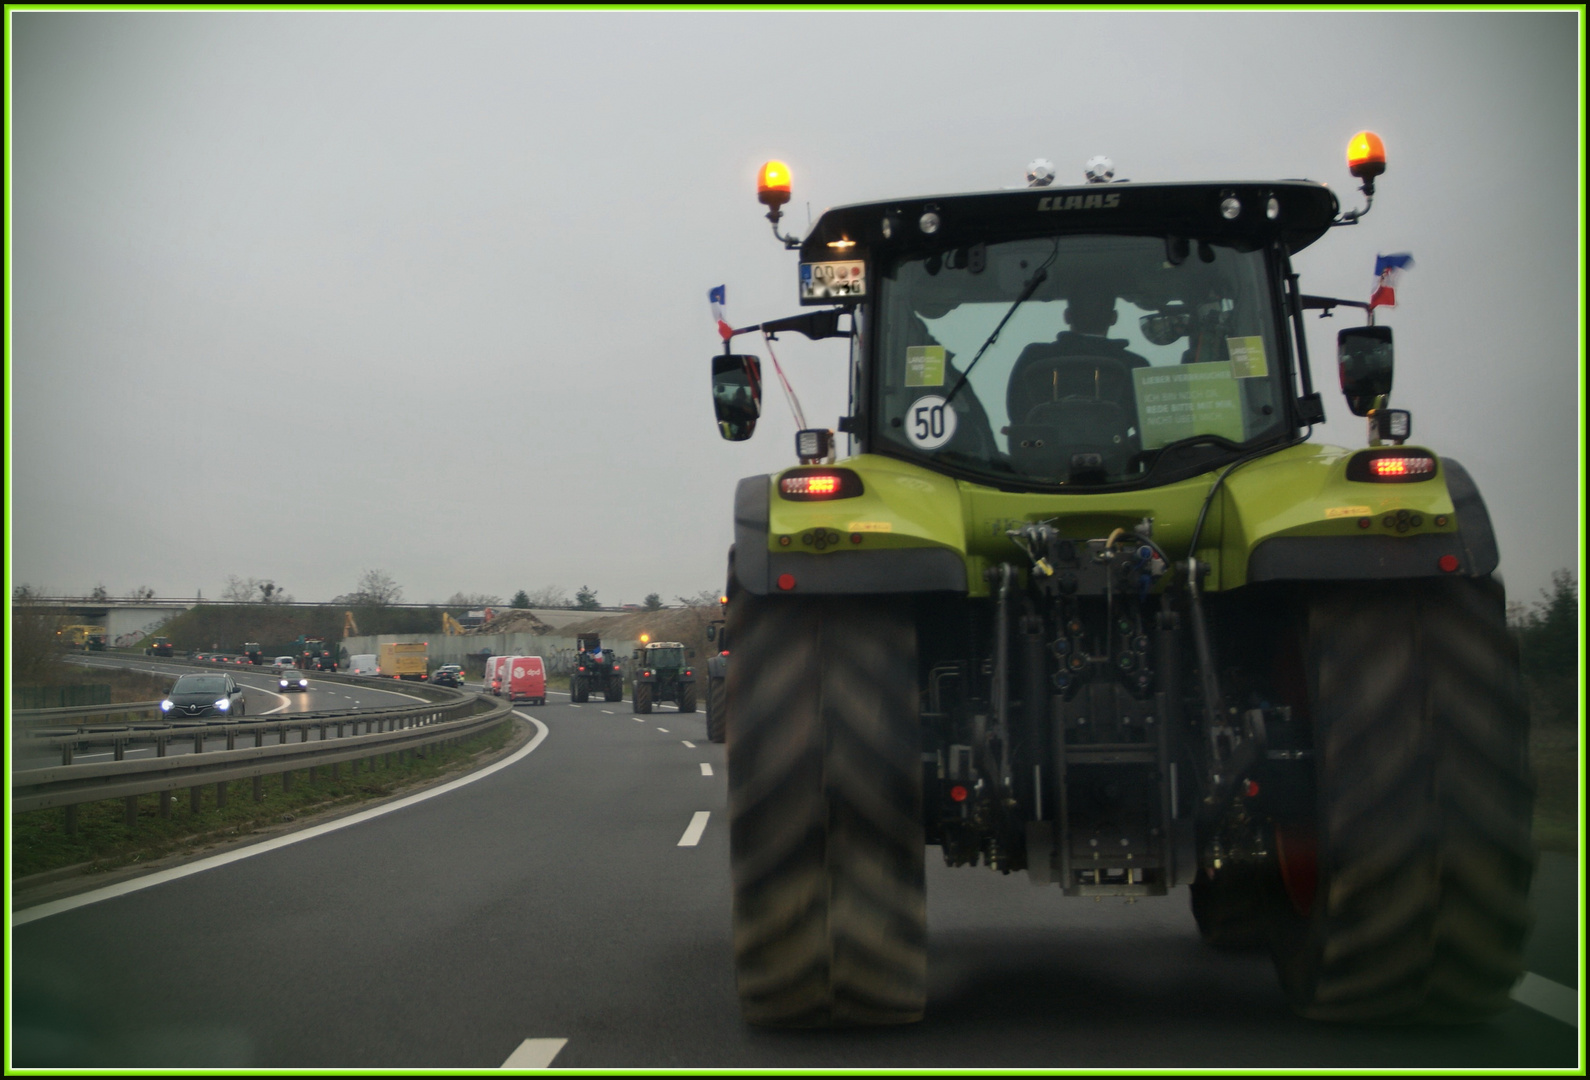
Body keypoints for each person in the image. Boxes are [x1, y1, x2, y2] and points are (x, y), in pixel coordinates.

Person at [1006, 287, 1149, 425]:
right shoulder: (1136, 365)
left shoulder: (1034, 356)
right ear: (1114, 318)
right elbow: (1148, 426)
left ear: (1067, 316)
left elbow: (1017, 414)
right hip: (1118, 450)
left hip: (1046, 449)